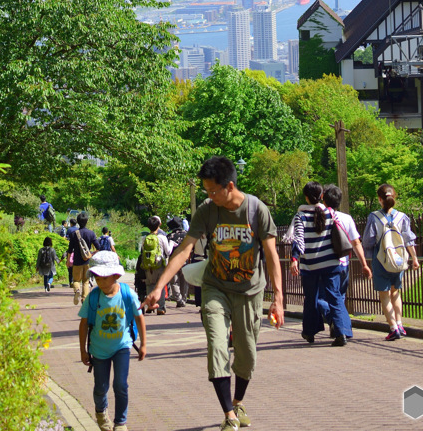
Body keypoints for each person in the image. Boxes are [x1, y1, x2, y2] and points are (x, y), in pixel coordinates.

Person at [143, 155, 284, 431]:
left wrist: (277, 299)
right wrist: (159, 287)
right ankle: (229, 415)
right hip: (215, 287)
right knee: (218, 346)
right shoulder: (208, 211)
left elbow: (271, 254)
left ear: (229, 186)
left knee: (247, 354)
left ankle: (238, 401)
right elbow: (184, 249)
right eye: (207, 190)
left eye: (213, 191)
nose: (209, 196)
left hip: (249, 291)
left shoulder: (256, 210)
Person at [79, 250, 147, 431]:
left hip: (122, 346)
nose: (100, 282)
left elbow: (139, 317)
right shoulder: (93, 297)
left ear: (116, 275)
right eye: (97, 278)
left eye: (104, 278)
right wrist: (83, 350)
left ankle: (120, 422)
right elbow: (84, 324)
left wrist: (143, 344)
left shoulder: (127, 294)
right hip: (99, 349)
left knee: (121, 385)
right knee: (101, 387)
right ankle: (101, 413)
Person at [290, 181, 353, 346]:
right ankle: (342, 332)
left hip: (310, 265)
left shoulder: (300, 216)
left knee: (311, 298)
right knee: (335, 296)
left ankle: (310, 332)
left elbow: (298, 240)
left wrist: (295, 259)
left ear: (306, 197)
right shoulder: (331, 213)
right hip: (331, 263)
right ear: (322, 196)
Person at [361, 182, 419, 341]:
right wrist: (414, 258)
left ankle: (393, 328)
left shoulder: (374, 217)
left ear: (379, 199)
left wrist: (366, 258)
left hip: (381, 261)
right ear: (394, 198)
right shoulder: (402, 217)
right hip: (399, 262)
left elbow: (368, 241)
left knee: (385, 296)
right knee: (396, 293)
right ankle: (400, 324)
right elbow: (409, 240)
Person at [321, 184, 372, 335]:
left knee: (321, 298)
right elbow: (356, 242)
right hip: (343, 264)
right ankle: (339, 326)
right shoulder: (347, 218)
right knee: (339, 298)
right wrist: (364, 263)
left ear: (323, 199)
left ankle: (337, 324)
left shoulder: (319, 218)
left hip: (325, 265)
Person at [139, 216, 172, 314]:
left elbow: (142, 251)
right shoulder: (162, 237)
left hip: (148, 266)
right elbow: (168, 252)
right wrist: (171, 244)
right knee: (160, 285)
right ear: (159, 225)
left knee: (149, 285)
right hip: (159, 264)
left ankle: (151, 305)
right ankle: (161, 308)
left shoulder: (145, 238)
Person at [68, 211, 101, 305]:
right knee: (86, 282)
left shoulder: (74, 234)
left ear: (78, 221)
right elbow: (98, 247)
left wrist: (68, 261)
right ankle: (84, 299)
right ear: (86, 221)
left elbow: (70, 249)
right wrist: (91, 254)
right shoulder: (91, 233)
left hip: (77, 261)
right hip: (87, 262)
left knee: (76, 280)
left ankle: (77, 290)